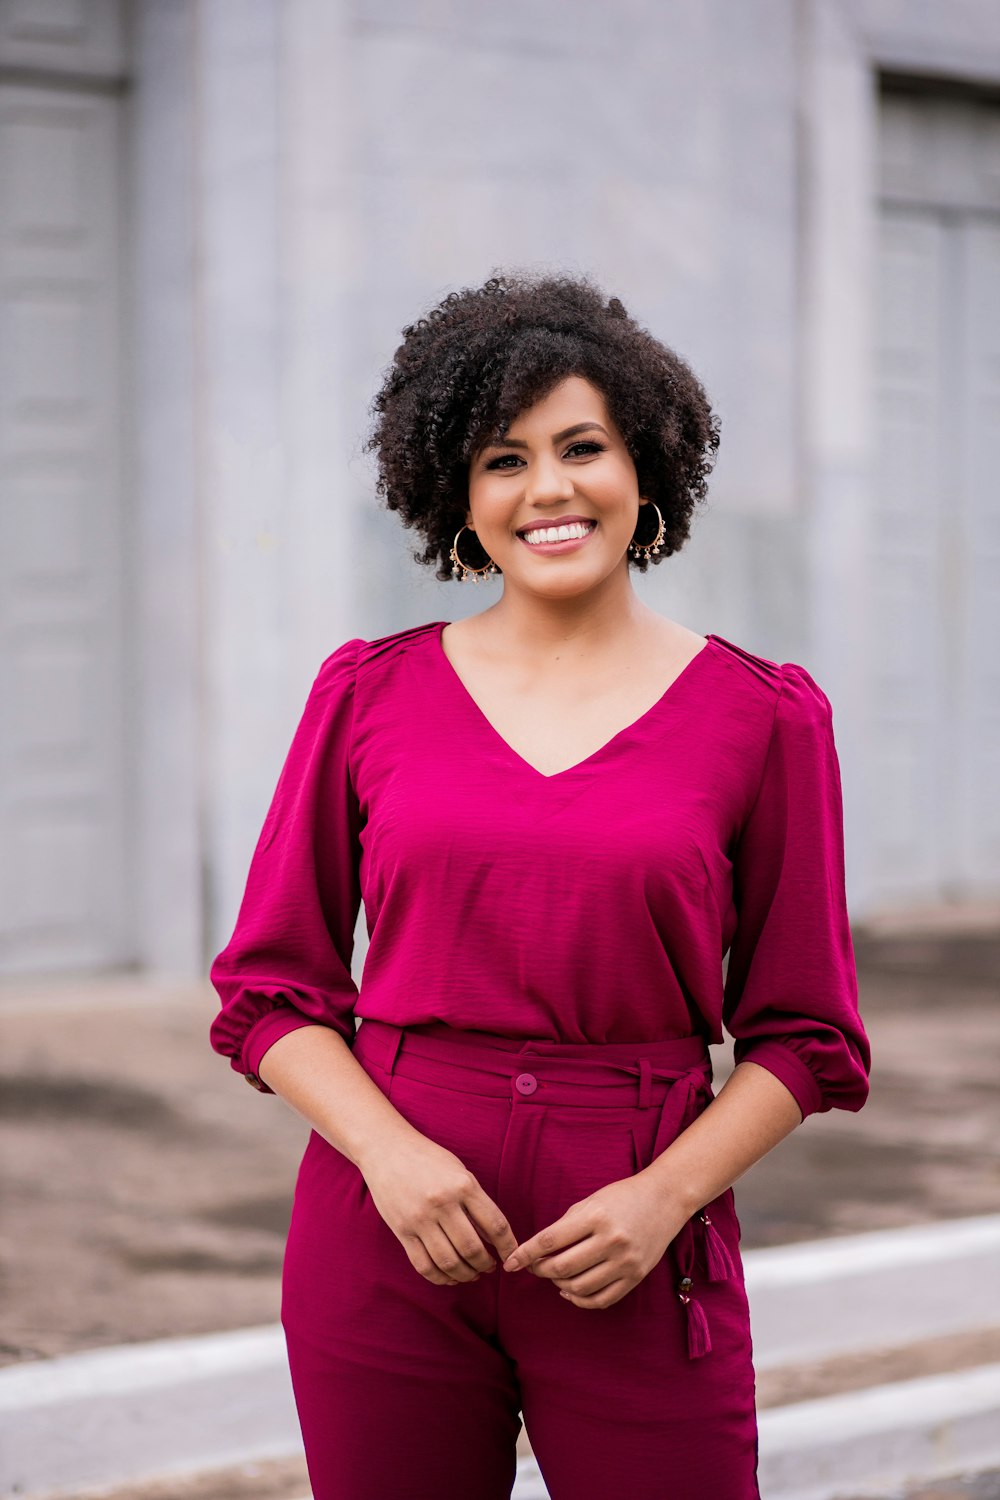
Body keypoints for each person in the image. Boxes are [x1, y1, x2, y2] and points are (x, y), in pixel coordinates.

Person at [208, 271, 872, 1500]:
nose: (549, 490)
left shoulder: (762, 718)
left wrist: (664, 1198)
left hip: (635, 1227)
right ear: (457, 495)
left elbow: (806, 1036)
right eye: (504, 460)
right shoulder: (365, 695)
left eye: (583, 447)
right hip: (388, 1216)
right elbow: (269, 995)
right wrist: (388, 1158)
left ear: (646, 469)